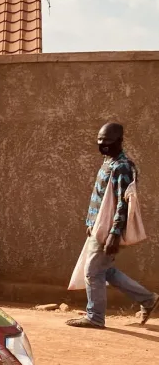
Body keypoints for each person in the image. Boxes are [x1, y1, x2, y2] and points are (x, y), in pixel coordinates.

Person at [67, 124, 157, 329]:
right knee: (106, 270)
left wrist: (114, 234)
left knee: (92, 271)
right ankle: (148, 299)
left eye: (107, 141)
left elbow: (123, 204)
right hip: (98, 227)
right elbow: (101, 198)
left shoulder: (122, 166)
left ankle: (95, 316)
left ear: (119, 140)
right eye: (100, 140)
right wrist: (90, 223)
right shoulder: (109, 161)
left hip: (107, 230)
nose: (102, 144)